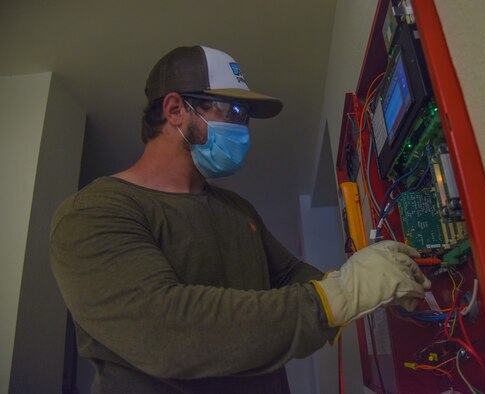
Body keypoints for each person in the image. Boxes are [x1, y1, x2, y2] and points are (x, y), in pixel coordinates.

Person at [50, 45, 431, 394]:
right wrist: (340, 296)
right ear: (175, 110)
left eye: (246, 116)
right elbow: (168, 332)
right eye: (231, 111)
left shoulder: (235, 208)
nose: (243, 129)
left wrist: (374, 281)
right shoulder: (95, 212)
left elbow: (287, 275)